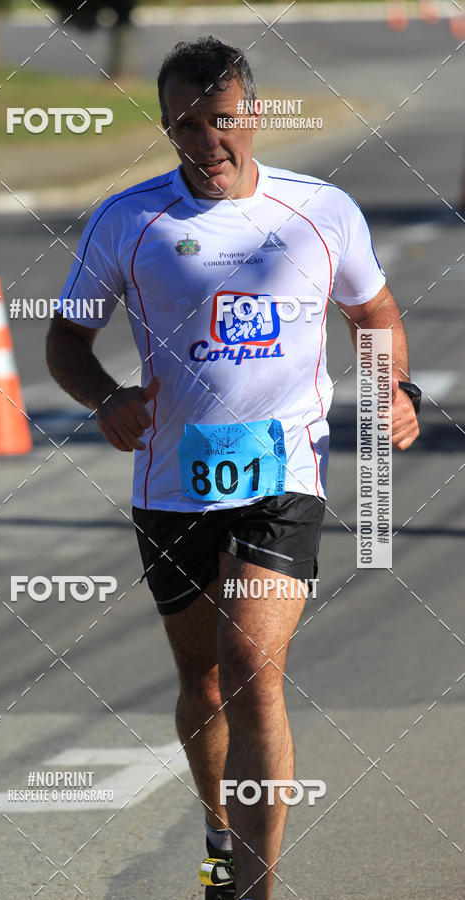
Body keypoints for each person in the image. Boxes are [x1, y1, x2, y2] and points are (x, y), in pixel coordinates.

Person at [46, 36, 420, 900]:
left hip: (283, 474)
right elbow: (67, 339)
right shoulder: (128, 220)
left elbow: (374, 313)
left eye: (220, 121)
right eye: (184, 125)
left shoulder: (320, 210)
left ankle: (254, 887)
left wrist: (394, 386)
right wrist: (105, 398)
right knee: (204, 681)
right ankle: (220, 833)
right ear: (166, 127)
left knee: (251, 671)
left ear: (252, 113)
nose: (206, 142)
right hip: (171, 482)